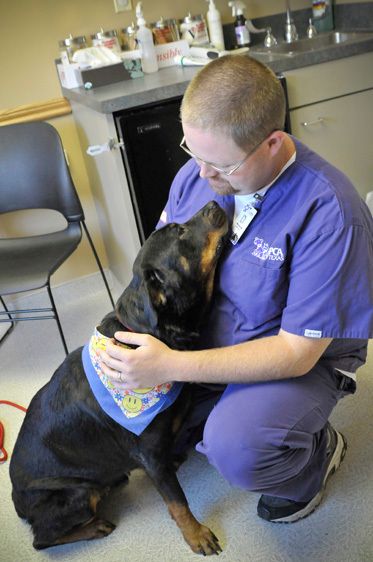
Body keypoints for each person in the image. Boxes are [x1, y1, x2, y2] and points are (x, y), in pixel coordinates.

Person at [98, 55, 373, 523]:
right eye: (193, 152)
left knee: (237, 447)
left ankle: (315, 459)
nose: (203, 176)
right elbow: (159, 257)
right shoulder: (200, 171)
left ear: (273, 142)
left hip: (296, 360)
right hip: (205, 344)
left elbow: (295, 353)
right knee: (140, 426)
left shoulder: (329, 212)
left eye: (221, 165)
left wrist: (171, 365)